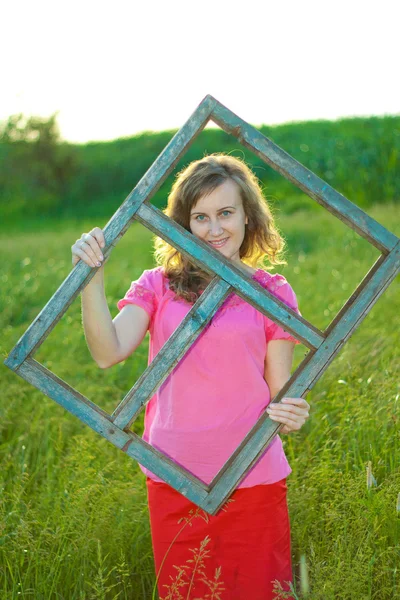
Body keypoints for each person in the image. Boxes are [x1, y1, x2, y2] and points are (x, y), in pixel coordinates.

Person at [71, 153, 310, 600]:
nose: (214, 229)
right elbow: (108, 352)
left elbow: (281, 391)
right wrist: (91, 279)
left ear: (247, 216)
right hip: (174, 473)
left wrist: (295, 410)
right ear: (182, 223)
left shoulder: (273, 293)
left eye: (225, 213)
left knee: (260, 592)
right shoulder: (157, 285)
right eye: (200, 217)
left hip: (252, 475)